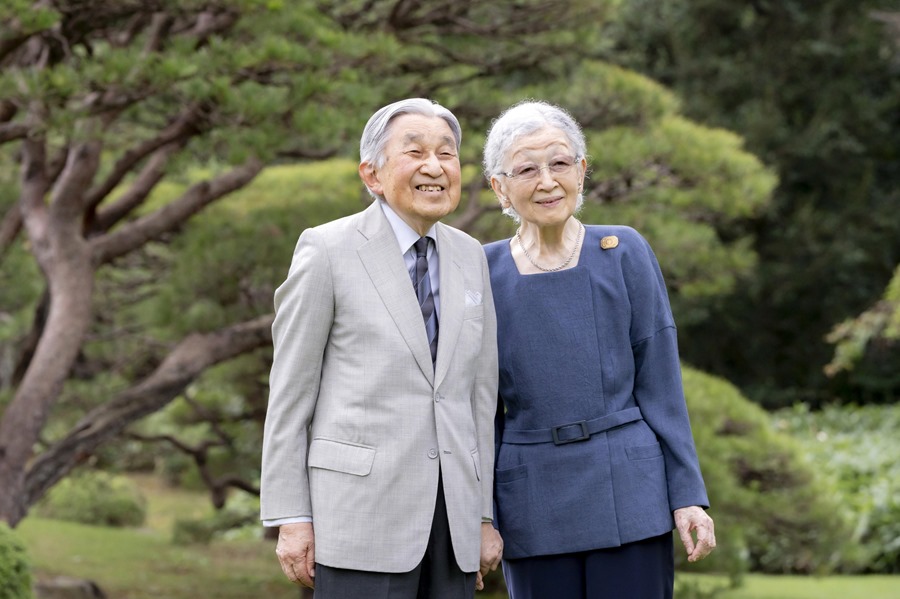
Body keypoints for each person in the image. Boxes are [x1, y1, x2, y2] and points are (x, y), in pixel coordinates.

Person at [260, 98, 503, 598]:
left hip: (452, 523)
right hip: (357, 519)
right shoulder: (326, 249)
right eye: (414, 152)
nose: (435, 167)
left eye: (448, 154)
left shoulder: (470, 256)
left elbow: (480, 398)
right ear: (372, 174)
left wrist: (481, 513)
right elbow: (289, 395)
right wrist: (290, 517)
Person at [482, 100, 716, 599]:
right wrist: (482, 514)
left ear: (582, 172)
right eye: (527, 168)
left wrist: (688, 496)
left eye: (560, 163)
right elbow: (477, 411)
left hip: (629, 488)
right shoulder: (481, 272)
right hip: (531, 496)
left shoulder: (624, 251)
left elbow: (661, 385)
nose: (547, 181)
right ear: (499, 186)